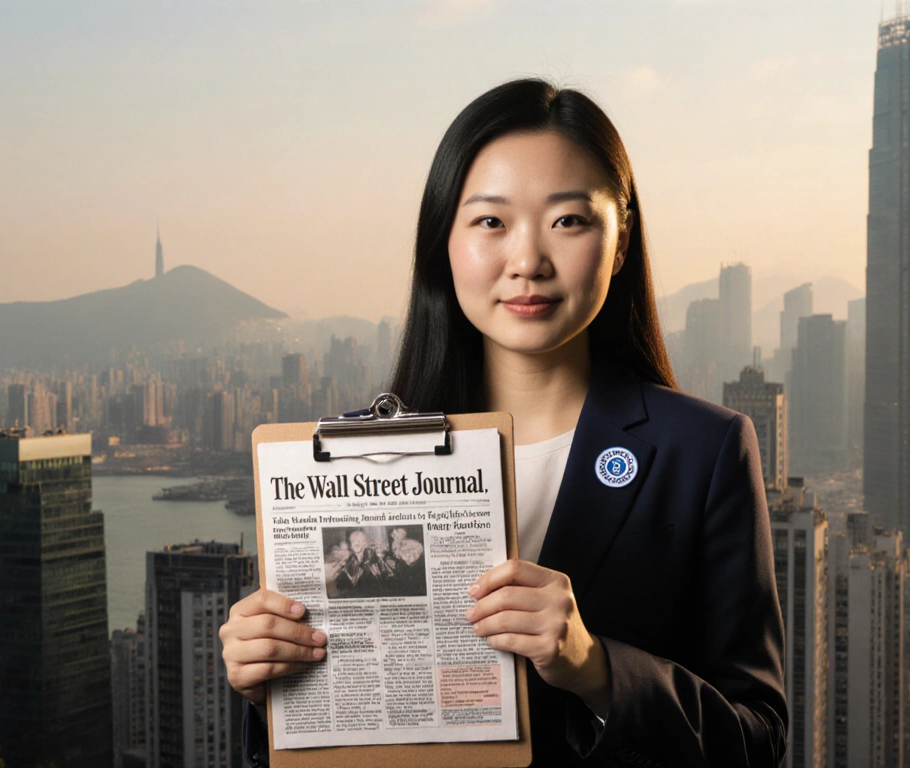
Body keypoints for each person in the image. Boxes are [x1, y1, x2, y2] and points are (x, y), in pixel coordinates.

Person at [219, 78, 787, 766]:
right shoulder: (347, 465)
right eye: (491, 222)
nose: (528, 262)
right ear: (443, 241)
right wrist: (270, 691)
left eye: (568, 220)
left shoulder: (703, 450)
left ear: (622, 236)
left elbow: (758, 737)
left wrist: (597, 669)